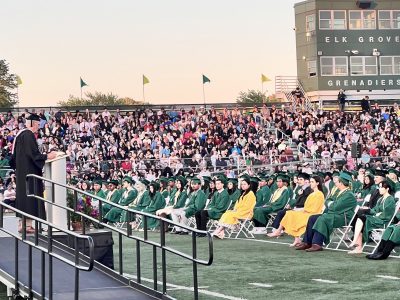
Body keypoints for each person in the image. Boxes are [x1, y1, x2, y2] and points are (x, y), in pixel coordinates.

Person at [9, 113, 57, 233]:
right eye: (37, 125)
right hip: (29, 172)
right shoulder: (28, 135)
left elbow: (13, 159)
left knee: (24, 196)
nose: (38, 127)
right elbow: (34, 155)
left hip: (22, 172)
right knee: (30, 196)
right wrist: (48, 156)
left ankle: (22, 224)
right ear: (31, 124)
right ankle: (27, 226)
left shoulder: (20, 135)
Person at [295, 172, 357, 252]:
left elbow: (334, 207)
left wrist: (331, 204)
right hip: (334, 215)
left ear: (341, 183)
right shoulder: (339, 192)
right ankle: (307, 242)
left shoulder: (349, 195)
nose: (335, 183)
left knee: (322, 218)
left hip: (343, 217)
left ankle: (317, 244)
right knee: (312, 218)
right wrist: (331, 203)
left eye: (337, 182)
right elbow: (328, 200)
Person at [268, 176, 325, 247]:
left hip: (312, 214)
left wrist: (302, 209)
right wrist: (301, 209)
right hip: (306, 212)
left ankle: (279, 231)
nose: (310, 184)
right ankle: (295, 238)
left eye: (312, 182)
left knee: (292, 214)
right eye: (310, 182)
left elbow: (315, 208)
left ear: (317, 183)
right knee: (289, 213)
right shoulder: (312, 193)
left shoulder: (319, 194)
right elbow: (307, 206)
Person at [348, 180, 396, 254]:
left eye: (381, 187)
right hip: (377, 219)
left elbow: (387, 214)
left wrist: (375, 214)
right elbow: (375, 210)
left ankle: (356, 244)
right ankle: (358, 247)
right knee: (359, 217)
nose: (379, 189)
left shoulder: (390, 199)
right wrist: (368, 209)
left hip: (383, 221)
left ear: (387, 189)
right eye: (379, 187)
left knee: (362, 218)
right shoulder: (380, 199)